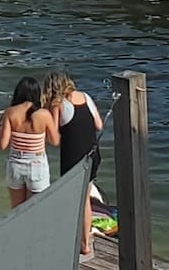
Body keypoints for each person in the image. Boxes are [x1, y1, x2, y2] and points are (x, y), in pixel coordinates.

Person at [43, 71, 103, 262]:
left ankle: (84, 246)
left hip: (74, 160)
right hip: (93, 156)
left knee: (81, 201)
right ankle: (83, 237)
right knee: (83, 198)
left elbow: (53, 139)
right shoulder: (86, 97)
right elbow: (99, 125)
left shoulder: (57, 104)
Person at [0, 76, 59, 209]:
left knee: (16, 211)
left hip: (16, 164)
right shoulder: (43, 114)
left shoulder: (10, 113)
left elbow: (3, 145)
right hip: (37, 164)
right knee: (37, 210)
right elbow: (54, 141)